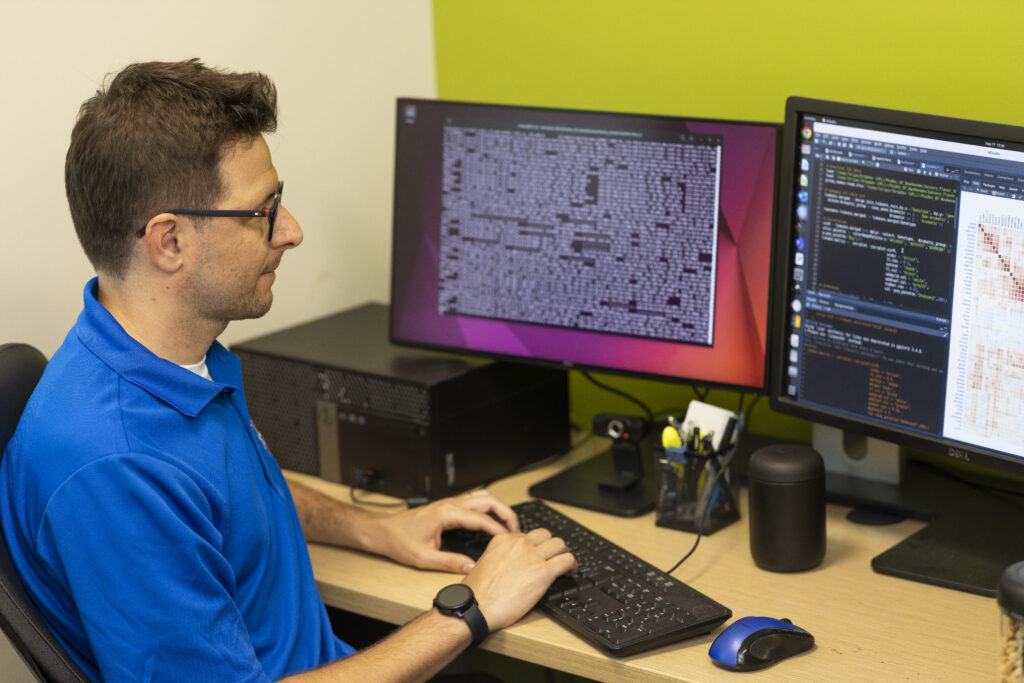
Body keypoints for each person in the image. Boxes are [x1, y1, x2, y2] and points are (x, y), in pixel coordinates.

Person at [0, 59, 576, 682]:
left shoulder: (165, 357)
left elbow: (229, 498)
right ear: (169, 242)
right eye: (261, 211)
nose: (291, 231)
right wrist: (471, 610)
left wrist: (379, 530)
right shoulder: (114, 467)